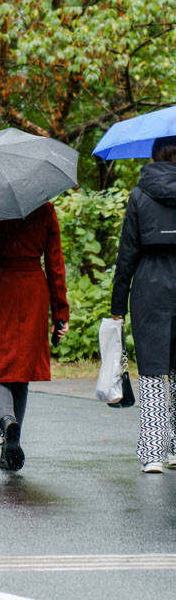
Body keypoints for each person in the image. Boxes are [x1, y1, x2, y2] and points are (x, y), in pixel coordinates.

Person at [0, 201, 68, 471]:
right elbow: (55, 263)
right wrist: (60, 312)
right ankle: (11, 442)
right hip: (34, 289)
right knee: (22, 370)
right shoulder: (45, 208)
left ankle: (8, 422)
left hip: (1, 289)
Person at [112, 135, 176, 474]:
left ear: (154, 156)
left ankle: (153, 454)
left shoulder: (139, 196)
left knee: (152, 372)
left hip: (149, 287)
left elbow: (127, 255)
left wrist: (117, 306)